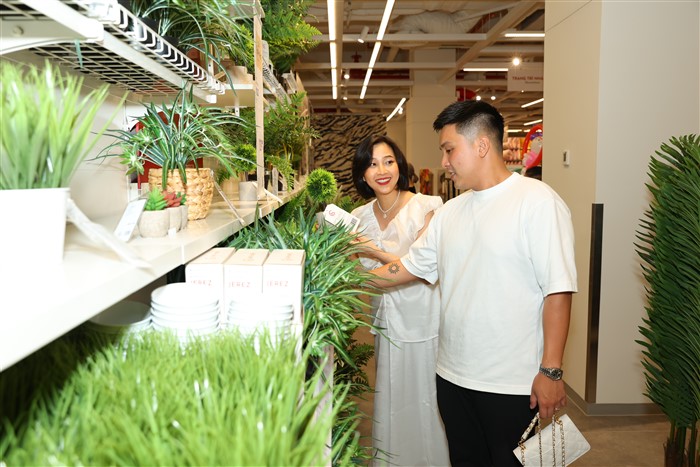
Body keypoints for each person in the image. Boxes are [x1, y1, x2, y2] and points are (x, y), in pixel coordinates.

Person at [366, 101, 577, 466]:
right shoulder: (449, 213)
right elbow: (406, 267)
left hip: (512, 385)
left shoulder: (537, 202)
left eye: (449, 150)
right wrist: (342, 279)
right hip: (451, 379)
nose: (444, 162)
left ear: (481, 145)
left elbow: (558, 290)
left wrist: (551, 371)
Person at [350, 135, 449, 466]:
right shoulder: (358, 217)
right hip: (385, 326)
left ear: (400, 165)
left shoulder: (427, 207)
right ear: (362, 174)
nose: (382, 171)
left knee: (427, 403)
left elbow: (419, 268)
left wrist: (370, 249)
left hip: (424, 324)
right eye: (372, 164)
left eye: (388, 161)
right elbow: (353, 274)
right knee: (392, 402)